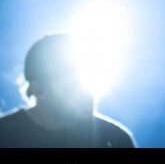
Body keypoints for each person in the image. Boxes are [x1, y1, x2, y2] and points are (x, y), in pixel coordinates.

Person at [0, 34, 135, 148]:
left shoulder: (116, 139)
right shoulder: (4, 135)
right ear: (38, 90)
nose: (85, 92)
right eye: (71, 84)